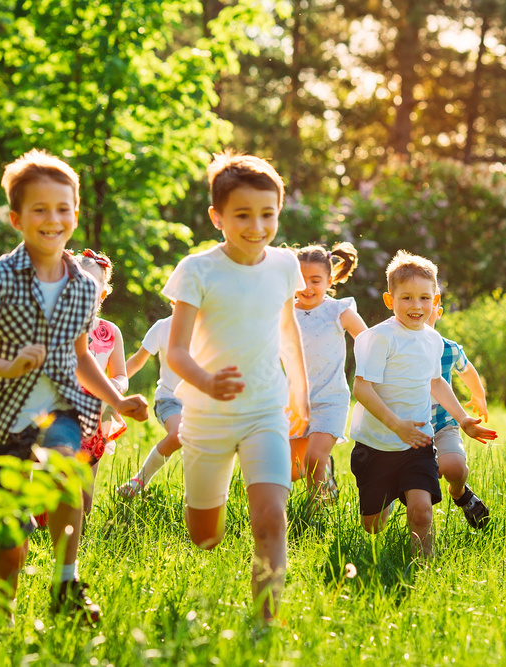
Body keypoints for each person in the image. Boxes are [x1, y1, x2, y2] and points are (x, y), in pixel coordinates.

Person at [0, 149, 148, 624]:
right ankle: (0, 607)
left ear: (75, 214)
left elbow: (81, 357)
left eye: (63, 208)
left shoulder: (82, 286)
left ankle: (65, 585)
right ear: (17, 218)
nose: (53, 219)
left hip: (61, 408)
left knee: (65, 473)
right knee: (11, 539)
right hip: (1, 415)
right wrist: (9, 366)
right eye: (40, 209)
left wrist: (117, 398)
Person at [162, 151, 308, 621]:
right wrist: (206, 382)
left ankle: (264, 625)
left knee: (270, 517)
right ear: (217, 217)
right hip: (207, 416)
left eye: (268, 214)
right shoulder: (196, 270)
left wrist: (300, 392)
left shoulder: (284, 265)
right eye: (243, 215)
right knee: (205, 537)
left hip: (264, 409)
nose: (257, 226)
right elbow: (176, 351)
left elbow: (288, 331)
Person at [350, 251, 497, 559]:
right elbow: (361, 388)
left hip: (417, 443)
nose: (416, 306)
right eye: (406, 298)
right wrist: (396, 426)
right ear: (390, 300)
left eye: (424, 298)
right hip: (376, 445)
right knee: (373, 526)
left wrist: (462, 419)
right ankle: (390, 493)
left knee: (421, 513)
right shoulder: (380, 338)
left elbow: (436, 382)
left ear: (435, 300)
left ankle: (423, 569)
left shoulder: (432, 339)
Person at [290, 242, 368, 504]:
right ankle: (326, 472)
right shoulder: (285, 312)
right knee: (293, 470)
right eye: (300, 280)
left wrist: (376, 378)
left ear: (329, 280)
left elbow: (369, 342)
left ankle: (314, 513)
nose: (307, 287)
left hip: (330, 399)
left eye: (315, 280)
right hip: (295, 403)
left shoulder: (338, 311)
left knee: (314, 460)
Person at [425, 294, 492, 529]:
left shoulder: (448, 348)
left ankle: (460, 493)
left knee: (454, 467)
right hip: (407, 427)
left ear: (438, 312)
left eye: (427, 304)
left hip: (443, 423)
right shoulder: (396, 347)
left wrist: (478, 395)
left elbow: (466, 369)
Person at [73, 249, 128, 515]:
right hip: (61, 408)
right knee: (53, 477)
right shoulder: (62, 327)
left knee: (85, 483)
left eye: (91, 286)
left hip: (95, 416)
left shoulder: (110, 332)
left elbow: (121, 375)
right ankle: (43, 525)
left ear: (103, 294)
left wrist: (117, 386)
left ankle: (80, 529)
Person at [117, 311, 181, 498]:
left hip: (203, 404)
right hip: (170, 400)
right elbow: (137, 361)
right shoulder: (163, 327)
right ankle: (139, 480)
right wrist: (112, 388)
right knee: (178, 434)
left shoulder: (210, 327)